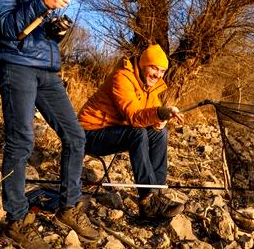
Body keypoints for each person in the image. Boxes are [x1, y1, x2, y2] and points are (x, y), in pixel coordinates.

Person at [0, 0, 99, 248]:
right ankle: (17, 219)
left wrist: (55, 31)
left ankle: (69, 206)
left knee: (76, 136)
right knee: (21, 143)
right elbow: (4, 27)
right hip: (15, 67)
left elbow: (37, 32)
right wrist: (41, 2)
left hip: (46, 70)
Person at [78, 44, 187, 219]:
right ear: (144, 65)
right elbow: (134, 117)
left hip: (114, 131)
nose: (158, 75)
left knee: (160, 134)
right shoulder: (122, 78)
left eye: (162, 71)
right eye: (154, 68)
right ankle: (147, 200)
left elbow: (149, 115)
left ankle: (157, 195)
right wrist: (159, 112)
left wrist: (160, 120)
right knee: (137, 133)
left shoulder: (151, 86)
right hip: (89, 133)